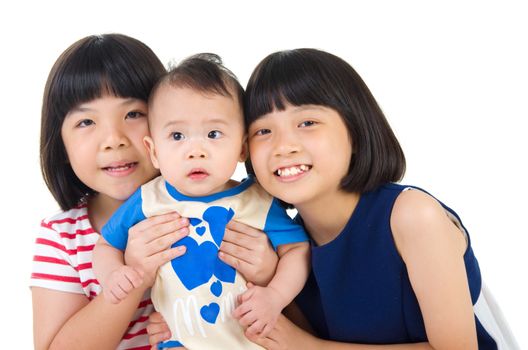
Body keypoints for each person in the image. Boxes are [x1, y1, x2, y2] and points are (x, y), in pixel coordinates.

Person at [148, 48, 518, 350]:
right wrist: (182, 325)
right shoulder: (276, 238)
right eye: (263, 130)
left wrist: (306, 347)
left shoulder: (410, 216)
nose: (284, 146)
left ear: (355, 130)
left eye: (307, 122)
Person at [30, 34, 277, 350]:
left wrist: (269, 273)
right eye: (86, 121)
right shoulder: (63, 237)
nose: (113, 139)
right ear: (60, 144)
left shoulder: (238, 208)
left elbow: (295, 322)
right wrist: (134, 278)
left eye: (133, 114)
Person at [93, 54, 310, 350]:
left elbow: (297, 251)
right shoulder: (147, 199)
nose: (196, 150)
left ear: (242, 147)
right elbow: (106, 245)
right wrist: (113, 275)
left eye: (213, 134)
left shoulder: (257, 200)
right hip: (177, 343)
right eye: (177, 135)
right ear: (153, 151)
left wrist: (275, 296)